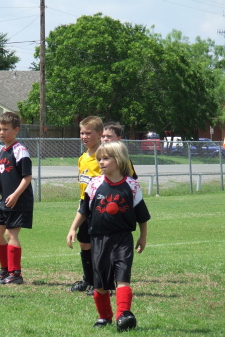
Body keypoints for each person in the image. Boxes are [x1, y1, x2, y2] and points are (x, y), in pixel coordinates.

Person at [66, 141, 150, 332]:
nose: (101, 162)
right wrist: (73, 229)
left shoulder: (132, 186)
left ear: (119, 160)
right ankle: (104, 317)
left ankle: (123, 315)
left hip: (123, 239)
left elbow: (142, 215)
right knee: (101, 283)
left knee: (123, 278)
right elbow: (84, 210)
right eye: (99, 159)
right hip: (99, 240)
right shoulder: (94, 185)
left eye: (106, 158)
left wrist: (143, 236)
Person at [0, 112, 33, 285]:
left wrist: (15, 195)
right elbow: (1, 177)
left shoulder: (20, 150)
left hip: (19, 200)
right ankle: (5, 269)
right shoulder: (1, 151)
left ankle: (16, 274)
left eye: (5, 129)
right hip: (4, 200)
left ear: (16, 130)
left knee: (11, 233)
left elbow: (27, 177)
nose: (1, 132)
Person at [70, 116, 103, 294]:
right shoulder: (83, 158)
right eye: (82, 133)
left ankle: (102, 282)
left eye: (88, 133)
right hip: (85, 208)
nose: (84, 136)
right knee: (84, 243)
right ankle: (89, 280)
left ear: (100, 134)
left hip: (102, 209)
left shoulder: (104, 156)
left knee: (100, 246)